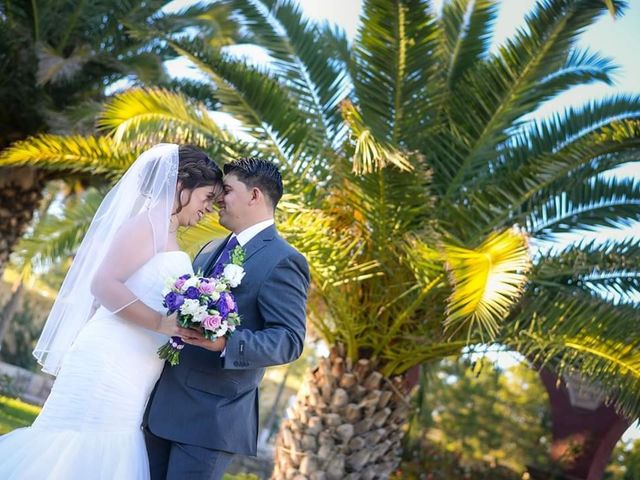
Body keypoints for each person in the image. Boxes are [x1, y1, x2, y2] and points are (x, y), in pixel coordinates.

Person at [0, 144, 223, 479]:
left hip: (135, 369)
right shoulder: (148, 224)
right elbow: (103, 284)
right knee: (82, 449)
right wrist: (162, 324)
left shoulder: (167, 232)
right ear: (181, 186)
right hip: (108, 360)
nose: (209, 209)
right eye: (207, 197)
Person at [144, 157, 310, 480]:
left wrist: (225, 342)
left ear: (254, 196)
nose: (219, 197)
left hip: (212, 419)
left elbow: (289, 340)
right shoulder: (208, 249)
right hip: (162, 407)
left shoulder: (284, 260)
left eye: (228, 190)